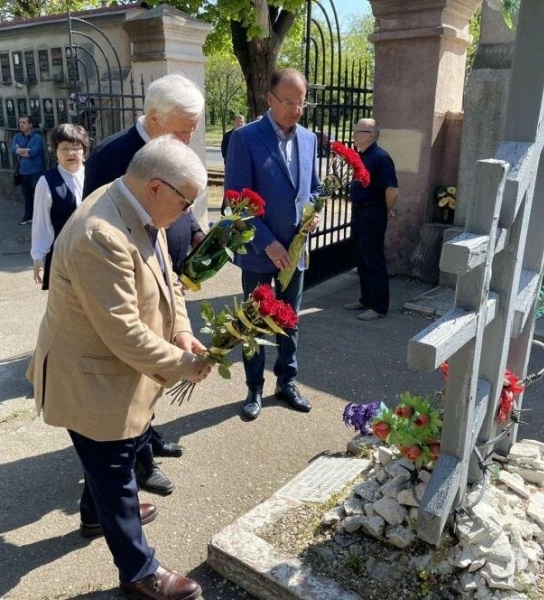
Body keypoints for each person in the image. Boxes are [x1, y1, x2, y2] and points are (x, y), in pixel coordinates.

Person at [26, 136, 211, 600]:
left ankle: (95, 515)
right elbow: (123, 332)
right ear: (155, 187)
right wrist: (185, 364)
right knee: (113, 469)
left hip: (113, 369)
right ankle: (139, 570)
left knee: (113, 462)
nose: (187, 212)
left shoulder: (139, 208)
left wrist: (182, 332)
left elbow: (169, 277)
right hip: (89, 375)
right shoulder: (100, 233)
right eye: (185, 200)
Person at [83, 73, 205, 495]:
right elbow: (91, 227)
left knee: (156, 366)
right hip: (128, 282)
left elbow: (182, 204)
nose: (189, 139)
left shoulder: (170, 150)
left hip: (167, 273)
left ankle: (146, 437)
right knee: (134, 369)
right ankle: (138, 463)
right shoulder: (112, 157)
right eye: (183, 129)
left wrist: (193, 232)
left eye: (193, 129)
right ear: (153, 117)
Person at [224, 67, 322, 421]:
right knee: (254, 322)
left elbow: (315, 187)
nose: (296, 109)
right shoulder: (246, 138)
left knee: (290, 320)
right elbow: (236, 200)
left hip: (295, 252)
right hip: (258, 253)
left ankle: (287, 381)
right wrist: (267, 243)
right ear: (269, 99)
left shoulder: (309, 139)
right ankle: (254, 388)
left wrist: (313, 212)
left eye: (302, 102)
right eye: (289, 102)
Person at [343, 118, 398, 322]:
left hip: (372, 213)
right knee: (361, 257)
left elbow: (392, 190)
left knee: (373, 259)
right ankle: (366, 299)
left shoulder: (380, 158)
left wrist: (387, 208)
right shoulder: (364, 156)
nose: (354, 135)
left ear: (371, 135)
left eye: (359, 131)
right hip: (360, 212)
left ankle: (379, 306)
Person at [30, 124, 90, 290]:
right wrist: (38, 257)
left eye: (76, 148)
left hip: (93, 254)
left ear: (84, 152)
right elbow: (41, 223)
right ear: (56, 152)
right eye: (64, 148)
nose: (70, 153)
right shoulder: (47, 182)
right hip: (62, 256)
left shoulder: (94, 176)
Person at [12, 115, 45, 225]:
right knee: (27, 196)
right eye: (20, 122)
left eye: (24, 122)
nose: (21, 124)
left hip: (35, 172)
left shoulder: (37, 138)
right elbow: (13, 150)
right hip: (23, 172)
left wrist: (20, 150)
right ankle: (28, 216)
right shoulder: (17, 137)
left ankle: (40, 218)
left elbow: (33, 152)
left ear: (30, 124)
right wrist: (25, 151)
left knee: (38, 196)